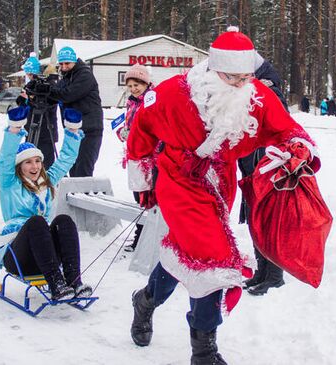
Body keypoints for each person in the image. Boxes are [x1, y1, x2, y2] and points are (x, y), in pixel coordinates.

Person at [126, 27, 321, 364]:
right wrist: (142, 183)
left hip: (220, 184)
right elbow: (140, 131)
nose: (239, 84)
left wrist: (296, 147)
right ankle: (204, 349)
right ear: (214, 69)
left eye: (245, 77)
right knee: (214, 258)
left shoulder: (255, 94)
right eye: (232, 77)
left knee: (189, 252)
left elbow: (285, 127)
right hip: (178, 180)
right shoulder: (174, 92)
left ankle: (145, 300)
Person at [0, 106, 91, 300]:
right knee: (37, 221)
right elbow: (4, 160)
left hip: (46, 255)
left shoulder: (47, 181)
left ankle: (73, 281)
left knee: (64, 220)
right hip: (19, 258)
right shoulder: (10, 183)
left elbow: (65, 160)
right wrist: (14, 129)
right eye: (28, 162)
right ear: (19, 165)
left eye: (38, 161)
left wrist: (71, 130)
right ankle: (56, 284)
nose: (35, 166)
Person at [238, 53, 287, 296]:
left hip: (265, 168)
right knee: (256, 220)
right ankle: (262, 270)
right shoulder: (251, 90)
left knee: (267, 222)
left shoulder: (268, 92)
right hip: (251, 165)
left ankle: (275, 275)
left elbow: (276, 128)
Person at [116, 63, 154, 252]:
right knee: (137, 197)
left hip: (149, 157)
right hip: (134, 156)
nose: (133, 89)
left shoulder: (152, 101)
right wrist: (124, 132)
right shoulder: (132, 102)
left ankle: (144, 237)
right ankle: (141, 236)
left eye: (137, 85)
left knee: (147, 197)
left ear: (146, 83)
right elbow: (129, 124)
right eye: (130, 86)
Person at [49, 46, 103, 177]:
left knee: (83, 168)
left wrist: (49, 91)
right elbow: (56, 94)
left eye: (67, 63)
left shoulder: (84, 74)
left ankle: (83, 195)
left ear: (74, 61)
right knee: (73, 167)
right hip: (74, 129)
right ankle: (74, 194)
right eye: (61, 64)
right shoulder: (68, 76)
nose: (64, 66)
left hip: (89, 128)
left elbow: (68, 94)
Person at [17, 53, 59, 169]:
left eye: (31, 74)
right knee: (30, 157)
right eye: (28, 74)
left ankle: (48, 181)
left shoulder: (48, 84)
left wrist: (31, 99)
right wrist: (24, 98)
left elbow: (50, 103)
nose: (29, 76)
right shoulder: (30, 85)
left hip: (46, 129)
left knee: (47, 161)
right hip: (31, 127)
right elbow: (20, 102)